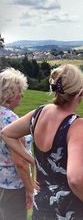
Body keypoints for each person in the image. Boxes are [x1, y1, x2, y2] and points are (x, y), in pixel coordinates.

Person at [1, 64, 83, 220]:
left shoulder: (39, 113)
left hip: (43, 207)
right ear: (80, 93)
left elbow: (7, 134)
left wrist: (33, 160)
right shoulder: (77, 125)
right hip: (74, 209)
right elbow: (75, 177)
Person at [0, 68, 33, 220]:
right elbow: (20, 162)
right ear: (9, 94)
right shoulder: (11, 120)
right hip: (12, 186)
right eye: (19, 90)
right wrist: (29, 189)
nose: (22, 94)